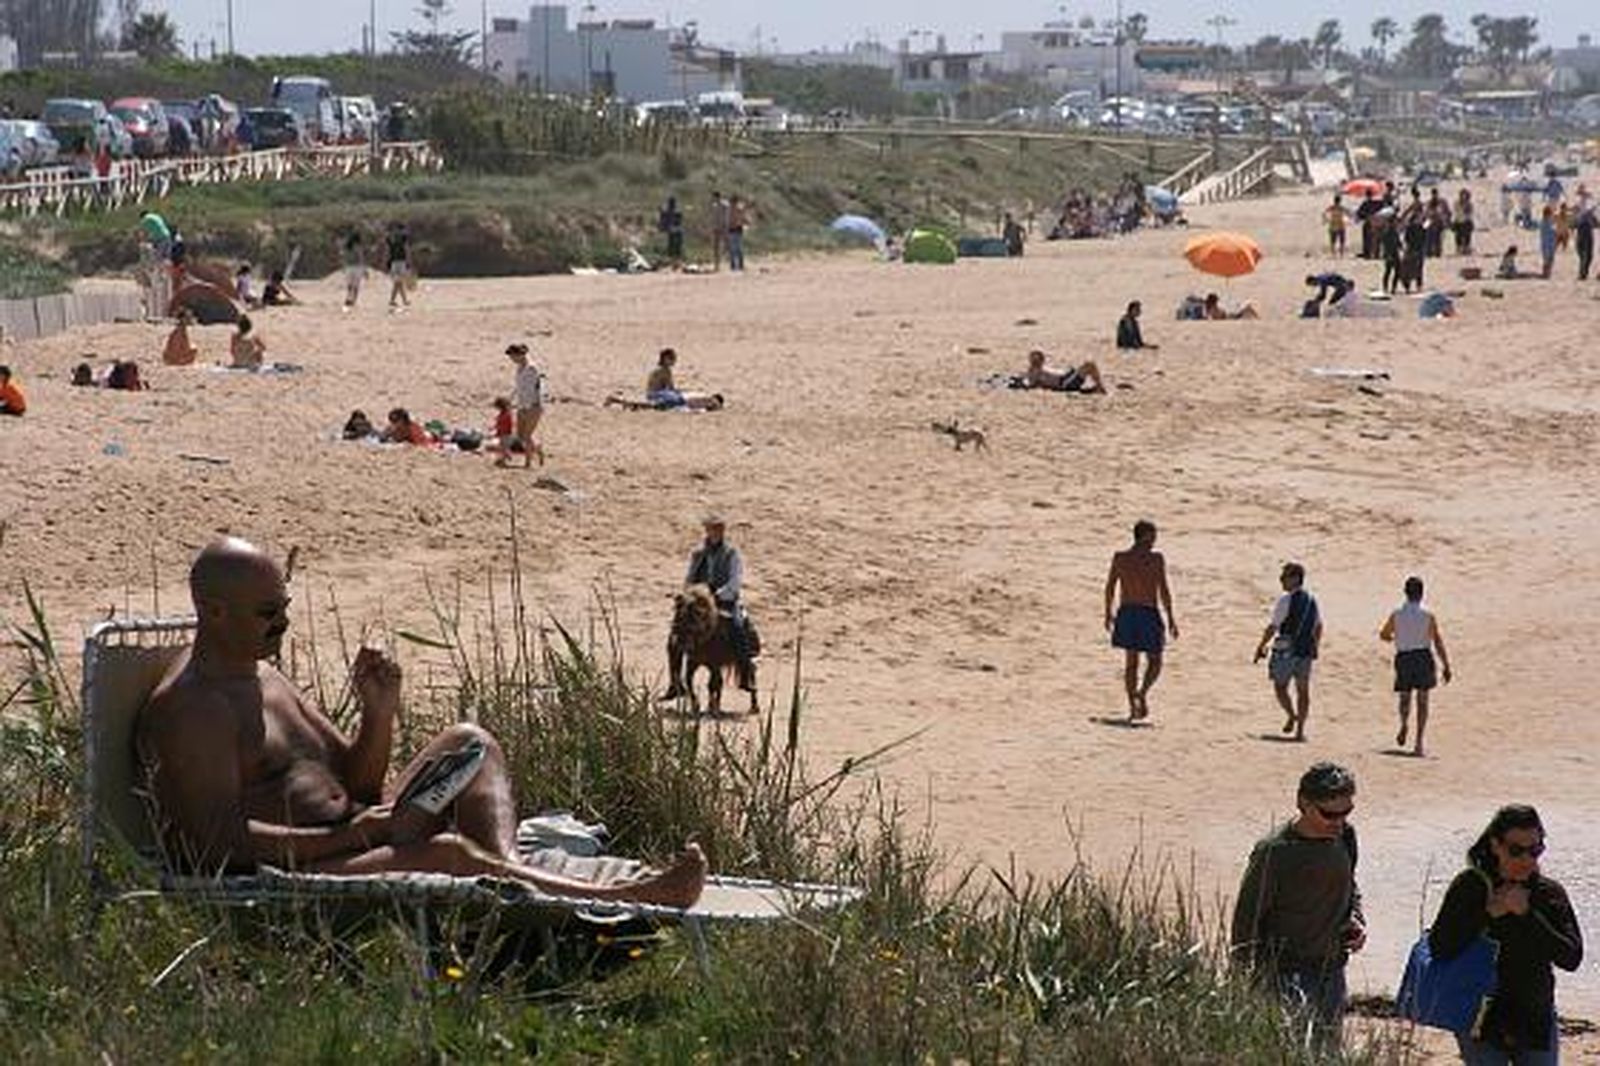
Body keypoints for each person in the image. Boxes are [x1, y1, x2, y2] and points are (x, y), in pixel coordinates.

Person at [134, 539, 706, 906]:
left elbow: (355, 784)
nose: (283, 624)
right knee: (450, 854)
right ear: (212, 612)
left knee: (471, 744)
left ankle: (507, 869)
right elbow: (213, 842)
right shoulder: (194, 709)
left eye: (285, 608)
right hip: (299, 867)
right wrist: (353, 836)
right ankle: (622, 896)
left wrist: (378, 713)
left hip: (359, 830)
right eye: (268, 614)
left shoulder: (261, 676)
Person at [1428, 806, 1583, 1065]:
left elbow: (1571, 957)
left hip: (1535, 1015)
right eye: (1516, 851)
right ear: (1495, 846)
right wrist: (1489, 914)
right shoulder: (1471, 886)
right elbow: (1440, 948)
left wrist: (1527, 914)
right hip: (1480, 1014)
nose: (1526, 860)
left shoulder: (1548, 893)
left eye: (1535, 850)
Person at [1231, 762, 1365, 1053]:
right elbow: (1246, 920)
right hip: (1284, 974)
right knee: (1287, 1052)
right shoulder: (1275, 853)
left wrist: (1356, 919)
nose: (1338, 821)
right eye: (1330, 814)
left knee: (1327, 1052)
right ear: (1303, 803)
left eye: (1346, 812)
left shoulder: (1346, 836)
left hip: (1332, 971)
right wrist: (1242, 981)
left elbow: (1350, 885)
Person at [670, 514, 755, 695]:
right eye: (711, 529)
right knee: (676, 633)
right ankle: (675, 682)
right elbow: (690, 578)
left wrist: (716, 595)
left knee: (737, 627)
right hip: (699, 602)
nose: (714, 532)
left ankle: (745, 675)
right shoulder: (698, 554)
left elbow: (734, 582)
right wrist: (689, 595)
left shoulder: (732, 554)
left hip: (724, 601)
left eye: (717, 529)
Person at [1104, 520, 1178, 721]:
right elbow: (1163, 590)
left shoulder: (1122, 558)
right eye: (1152, 536)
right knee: (1152, 660)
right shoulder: (1155, 559)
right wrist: (1170, 617)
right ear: (1144, 536)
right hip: (1146, 612)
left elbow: (1110, 587)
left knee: (1134, 662)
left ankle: (1135, 701)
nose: (1154, 540)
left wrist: (1108, 612)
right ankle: (1139, 696)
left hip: (1128, 612)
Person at [1379, 576, 1454, 757]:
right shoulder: (1428, 615)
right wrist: (1446, 664)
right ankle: (1419, 742)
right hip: (1422, 656)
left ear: (1406, 592)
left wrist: (1394, 638)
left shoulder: (1397, 614)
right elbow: (1437, 641)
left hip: (1404, 657)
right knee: (1422, 700)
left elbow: (1384, 634)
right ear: (1421, 593)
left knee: (1405, 697)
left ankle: (1404, 723)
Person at [1252, 562, 1322, 742]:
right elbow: (1319, 626)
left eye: (1285, 576)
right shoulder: (1312, 600)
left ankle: (1292, 715)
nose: (1281, 580)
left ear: (1295, 578)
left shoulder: (1286, 600)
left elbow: (1273, 626)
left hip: (1287, 648)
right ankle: (1300, 730)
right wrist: (1316, 646)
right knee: (1303, 691)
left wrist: (1261, 645)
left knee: (1280, 686)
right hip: (1306, 649)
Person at [502, 343, 545, 468]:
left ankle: (528, 463)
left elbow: (532, 390)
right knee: (520, 436)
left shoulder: (531, 368)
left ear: (520, 355)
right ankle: (538, 449)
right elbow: (518, 388)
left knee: (527, 435)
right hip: (522, 405)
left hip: (533, 406)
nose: (512, 360)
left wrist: (528, 406)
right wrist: (510, 400)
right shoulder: (520, 368)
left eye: (513, 356)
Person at [1023, 349, 1105, 393]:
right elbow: (1030, 383)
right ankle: (1100, 387)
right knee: (1089, 365)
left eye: (1038, 358)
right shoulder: (1034, 372)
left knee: (1089, 365)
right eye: (1033, 358)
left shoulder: (1042, 368)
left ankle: (1098, 387)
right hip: (1065, 383)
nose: (1036, 360)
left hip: (1067, 377)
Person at [386, 221, 412, 312]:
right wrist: (409, 261)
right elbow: (406, 249)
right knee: (399, 282)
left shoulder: (390, 238)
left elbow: (387, 251)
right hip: (401, 261)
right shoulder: (404, 238)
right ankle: (394, 300)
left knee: (398, 282)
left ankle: (403, 300)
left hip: (393, 262)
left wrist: (386, 262)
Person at [341, 231, 367, 310]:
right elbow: (361, 258)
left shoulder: (347, 247)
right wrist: (364, 269)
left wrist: (343, 266)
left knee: (349, 285)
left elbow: (344, 258)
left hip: (349, 267)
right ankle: (353, 300)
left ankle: (349, 297)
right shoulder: (358, 247)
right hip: (357, 267)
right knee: (356, 286)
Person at [658, 196, 684, 262]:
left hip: (675, 229)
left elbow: (678, 221)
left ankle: (676, 256)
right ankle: (673, 256)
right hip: (672, 229)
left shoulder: (674, 212)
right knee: (673, 243)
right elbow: (663, 220)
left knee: (676, 243)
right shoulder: (669, 211)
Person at [726, 195, 748, 272]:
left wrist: (742, 224)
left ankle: (740, 265)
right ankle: (733, 266)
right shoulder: (730, 210)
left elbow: (744, 219)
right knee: (733, 249)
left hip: (737, 230)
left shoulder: (739, 210)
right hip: (732, 230)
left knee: (738, 249)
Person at [1576, 199, 1596, 282]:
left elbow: (1596, 222)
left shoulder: (1588, 214)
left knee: (1587, 255)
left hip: (1586, 233)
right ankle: (1583, 273)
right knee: (1586, 255)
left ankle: (1583, 272)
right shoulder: (1581, 215)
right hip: (1584, 232)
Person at [709, 191, 729, 272]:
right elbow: (713, 218)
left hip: (723, 228)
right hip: (716, 228)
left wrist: (725, 227)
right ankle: (717, 265)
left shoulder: (724, 205)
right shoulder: (715, 206)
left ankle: (727, 262)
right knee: (715, 247)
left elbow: (726, 217)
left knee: (724, 245)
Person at [1454, 189, 1476, 255]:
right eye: (1463, 195)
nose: (1464, 197)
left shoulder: (1469, 204)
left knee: (1467, 235)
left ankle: (1466, 247)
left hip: (1466, 221)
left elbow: (1470, 213)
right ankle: (1459, 248)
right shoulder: (1457, 203)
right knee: (1458, 235)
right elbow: (1457, 211)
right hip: (1459, 221)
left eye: (1465, 196)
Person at [1538, 205, 1557, 280]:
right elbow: (1547, 233)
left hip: (1550, 243)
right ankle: (1546, 274)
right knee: (1547, 259)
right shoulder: (1544, 222)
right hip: (1547, 243)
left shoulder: (1548, 221)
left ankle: (1547, 273)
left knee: (1550, 259)